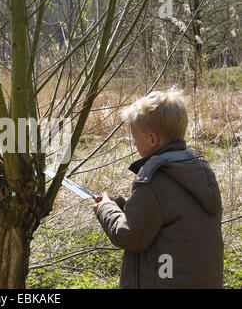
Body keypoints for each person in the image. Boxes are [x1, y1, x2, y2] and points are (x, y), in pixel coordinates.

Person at [92, 91, 223, 288]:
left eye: (135, 138)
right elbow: (166, 215)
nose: (134, 143)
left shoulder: (155, 179)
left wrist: (106, 209)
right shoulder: (199, 170)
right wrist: (124, 206)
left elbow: (129, 235)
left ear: (152, 139)